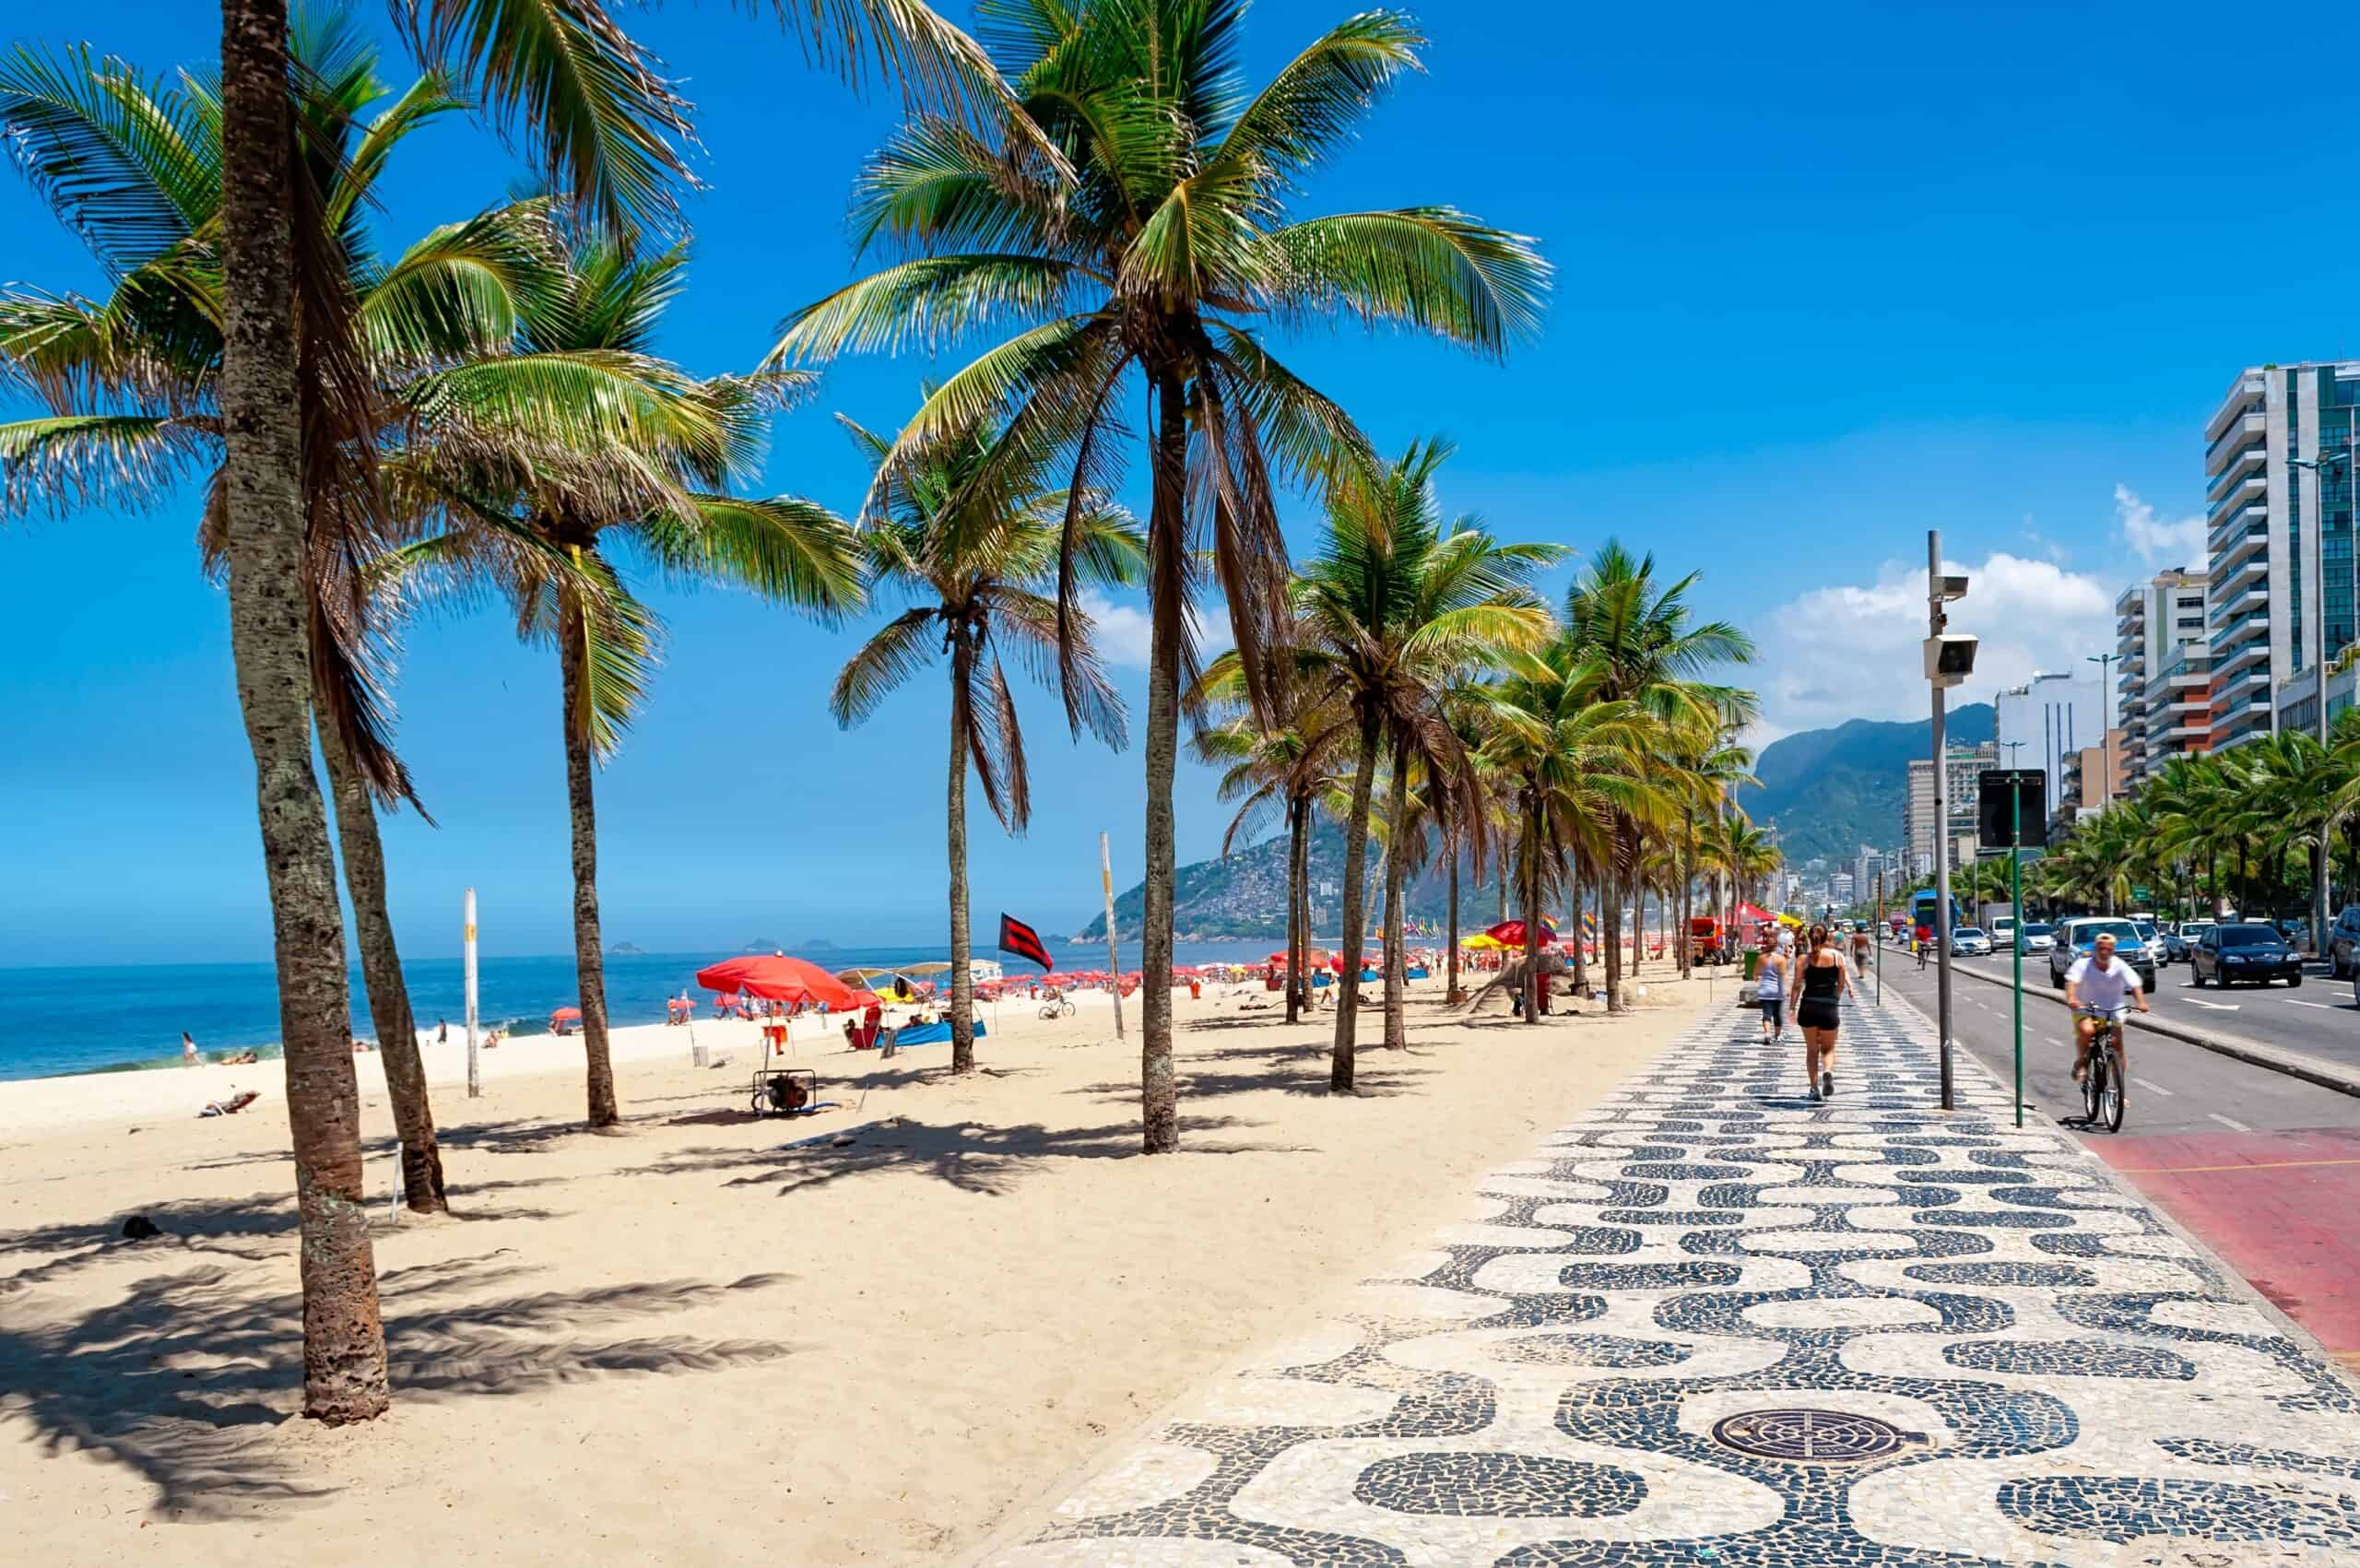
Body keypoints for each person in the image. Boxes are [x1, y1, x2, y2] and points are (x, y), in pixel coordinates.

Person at [2064, 929, 2147, 1084]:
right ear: (2096, 949)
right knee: (2087, 1031)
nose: (2104, 952)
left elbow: (2135, 984)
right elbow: (2072, 983)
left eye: (2108, 948)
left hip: (2112, 1011)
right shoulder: (2083, 964)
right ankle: (2081, 1063)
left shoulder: (2120, 965)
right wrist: (2071, 998)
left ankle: (2118, 1089)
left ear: (2113, 950)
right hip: (2086, 1008)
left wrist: (2141, 1002)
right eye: (2101, 948)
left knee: (2117, 1044)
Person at [1796, 923, 1853, 1099]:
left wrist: (1791, 1007)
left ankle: (1814, 1089)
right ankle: (1827, 1070)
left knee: (1812, 1050)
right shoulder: (1837, 957)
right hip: (1829, 1008)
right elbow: (1841, 984)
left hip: (1808, 1007)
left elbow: (1796, 986)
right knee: (1828, 1048)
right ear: (1827, 936)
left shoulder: (1803, 959)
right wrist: (1834, 998)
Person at [1753, 937, 1788, 1043]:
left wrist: (1759, 978)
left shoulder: (1761, 958)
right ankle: (1778, 1035)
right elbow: (1784, 976)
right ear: (1777, 945)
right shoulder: (1781, 959)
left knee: (1766, 1013)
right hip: (1778, 991)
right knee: (1778, 1014)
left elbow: (1755, 975)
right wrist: (1787, 989)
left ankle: (1767, 1033)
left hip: (1765, 990)